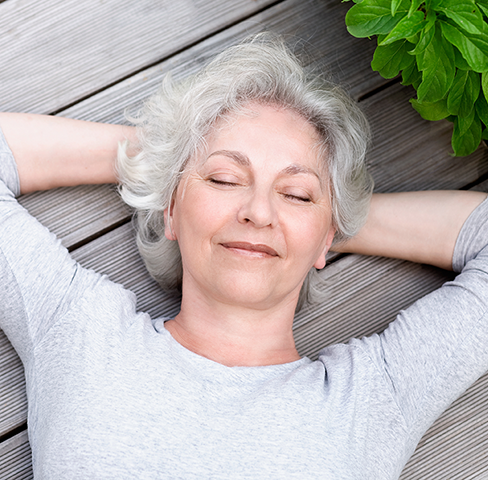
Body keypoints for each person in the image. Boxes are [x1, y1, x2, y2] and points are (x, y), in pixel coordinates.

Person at [1, 35, 487, 479]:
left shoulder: (374, 399)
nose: (258, 211)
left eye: (296, 193)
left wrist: (329, 222)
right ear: (170, 209)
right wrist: (156, 162)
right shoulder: (80, 336)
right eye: (224, 179)